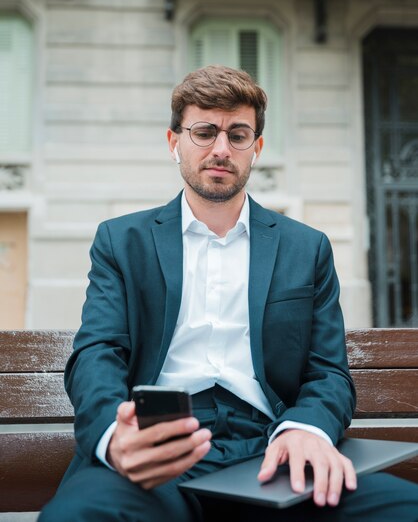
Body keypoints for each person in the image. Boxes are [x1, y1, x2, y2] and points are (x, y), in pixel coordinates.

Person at [39, 65, 418, 522]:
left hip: (272, 449)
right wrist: (115, 439)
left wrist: (306, 428)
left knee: (402, 508)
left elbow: (329, 373)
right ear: (173, 142)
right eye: (204, 132)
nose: (221, 149)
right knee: (80, 515)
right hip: (160, 450)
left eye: (238, 134)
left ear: (256, 148)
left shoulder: (307, 247)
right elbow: (97, 352)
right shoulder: (122, 241)